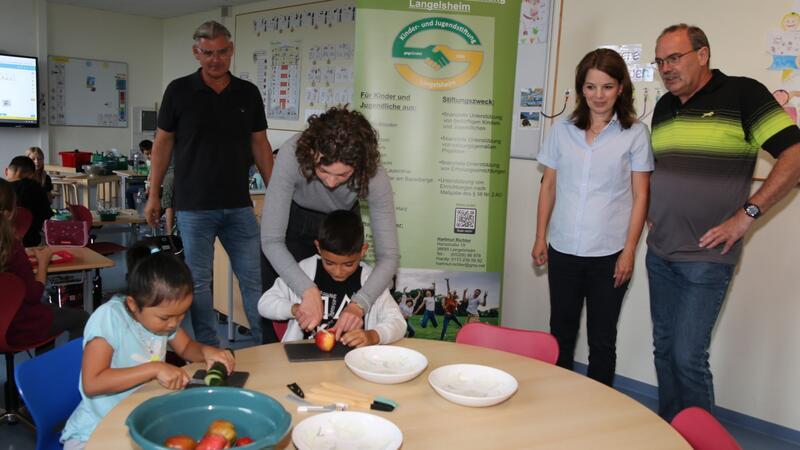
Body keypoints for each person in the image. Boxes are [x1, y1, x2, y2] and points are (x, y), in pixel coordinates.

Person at [647, 24, 800, 420]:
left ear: (703, 55)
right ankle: (670, 435)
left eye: (674, 57)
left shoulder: (743, 94)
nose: (666, 68)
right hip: (659, 252)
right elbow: (662, 170)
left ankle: (701, 441)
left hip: (707, 256)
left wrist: (747, 214)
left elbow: (794, 155)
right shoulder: (664, 108)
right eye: (660, 60)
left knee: (687, 357)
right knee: (664, 351)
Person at [144, 20, 274, 346]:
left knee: (255, 280)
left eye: (221, 52)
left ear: (231, 51)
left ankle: (265, 348)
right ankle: (207, 350)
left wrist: (277, 191)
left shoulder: (248, 93)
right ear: (196, 52)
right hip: (193, 206)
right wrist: (153, 193)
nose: (215, 59)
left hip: (238, 206)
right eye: (207, 53)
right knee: (199, 284)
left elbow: (260, 144)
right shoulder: (178, 90)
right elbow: (162, 145)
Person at [531, 48, 653, 387]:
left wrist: (629, 250)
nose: (598, 96)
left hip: (609, 254)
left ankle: (599, 411)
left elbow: (641, 195)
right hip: (564, 249)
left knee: (602, 340)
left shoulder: (635, 134)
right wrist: (540, 236)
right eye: (590, 87)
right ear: (581, 89)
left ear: (621, 88)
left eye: (607, 87)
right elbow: (549, 185)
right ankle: (558, 402)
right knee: (560, 333)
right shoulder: (562, 130)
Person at [60, 244, 235, 450]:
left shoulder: (161, 319)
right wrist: (154, 368)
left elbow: (186, 346)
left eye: (182, 315)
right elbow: (92, 383)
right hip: (96, 430)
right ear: (134, 305)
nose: (174, 324)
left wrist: (206, 352)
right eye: (166, 317)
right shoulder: (109, 319)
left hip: (141, 415)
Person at [261, 106, 398, 344]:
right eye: (323, 171)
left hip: (343, 223)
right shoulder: (292, 154)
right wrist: (307, 289)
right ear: (311, 154)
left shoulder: (373, 173)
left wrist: (359, 304)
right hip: (295, 222)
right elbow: (271, 240)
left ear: (359, 166)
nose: (332, 183)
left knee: (344, 319)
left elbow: (389, 256)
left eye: (343, 175)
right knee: (279, 321)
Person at [258, 210, 405, 347]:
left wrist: (372, 336)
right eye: (329, 263)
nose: (338, 271)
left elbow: (398, 323)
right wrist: (296, 309)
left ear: (363, 251)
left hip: (354, 360)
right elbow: (265, 304)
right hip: (304, 360)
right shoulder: (304, 271)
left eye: (348, 264)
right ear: (318, 247)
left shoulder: (371, 280)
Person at [0, 179, 87, 351]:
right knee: (81, 318)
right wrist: (43, 263)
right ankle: (56, 371)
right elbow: (33, 295)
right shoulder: (13, 248)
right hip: (18, 328)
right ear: (10, 213)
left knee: (48, 310)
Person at [5, 156, 53, 247]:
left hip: (4, 245)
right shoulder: (37, 189)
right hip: (31, 243)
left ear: (6, 171)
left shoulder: (3, 189)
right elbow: (46, 216)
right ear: (32, 175)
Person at [125, 139, 152, 210]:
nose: (150, 156)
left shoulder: (153, 161)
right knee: (132, 184)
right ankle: (140, 208)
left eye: (151, 153)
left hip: (152, 186)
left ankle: (134, 211)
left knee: (128, 191)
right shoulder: (148, 161)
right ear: (142, 153)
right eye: (147, 154)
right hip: (148, 183)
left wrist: (147, 190)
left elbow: (152, 179)